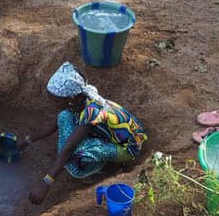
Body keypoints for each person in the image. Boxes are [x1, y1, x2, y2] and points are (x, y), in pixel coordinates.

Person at [19, 62, 147, 205]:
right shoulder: (79, 100)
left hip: (128, 146)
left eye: (55, 100)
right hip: (109, 134)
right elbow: (52, 124)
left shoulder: (92, 112)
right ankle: (93, 151)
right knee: (63, 116)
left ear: (71, 98)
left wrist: (46, 182)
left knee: (75, 165)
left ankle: (111, 168)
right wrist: (25, 141)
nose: (52, 103)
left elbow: (69, 147)